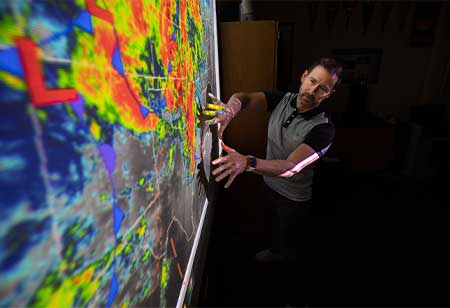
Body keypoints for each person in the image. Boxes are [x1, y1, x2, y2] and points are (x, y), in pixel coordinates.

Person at [204, 57, 343, 304]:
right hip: (268, 185)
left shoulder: (324, 129)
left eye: (322, 88)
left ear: (329, 94)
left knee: (291, 253)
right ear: (303, 76)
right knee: (272, 234)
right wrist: (230, 109)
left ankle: (290, 296)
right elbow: (244, 98)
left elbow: (290, 167)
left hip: (294, 199)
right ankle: (274, 251)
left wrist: (248, 162)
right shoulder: (283, 100)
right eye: (312, 81)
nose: (312, 91)